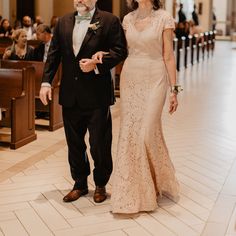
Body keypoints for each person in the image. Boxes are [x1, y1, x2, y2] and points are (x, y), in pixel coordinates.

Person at [39, 0, 127, 204]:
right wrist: (45, 82)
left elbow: (120, 50)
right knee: (74, 143)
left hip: (97, 95)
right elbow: (54, 55)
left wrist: (97, 64)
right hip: (70, 94)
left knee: (99, 143)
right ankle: (79, 183)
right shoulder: (63, 22)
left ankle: (101, 184)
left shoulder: (109, 20)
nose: (80, 0)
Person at [110, 0, 180, 214]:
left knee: (147, 133)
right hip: (131, 76)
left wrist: (174, 89)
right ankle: (135, 187)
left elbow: (168, 55)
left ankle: (156, 177)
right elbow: (121, 51)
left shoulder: (164, 18)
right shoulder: (127, 19)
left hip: (155, 76)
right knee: (130, 132)